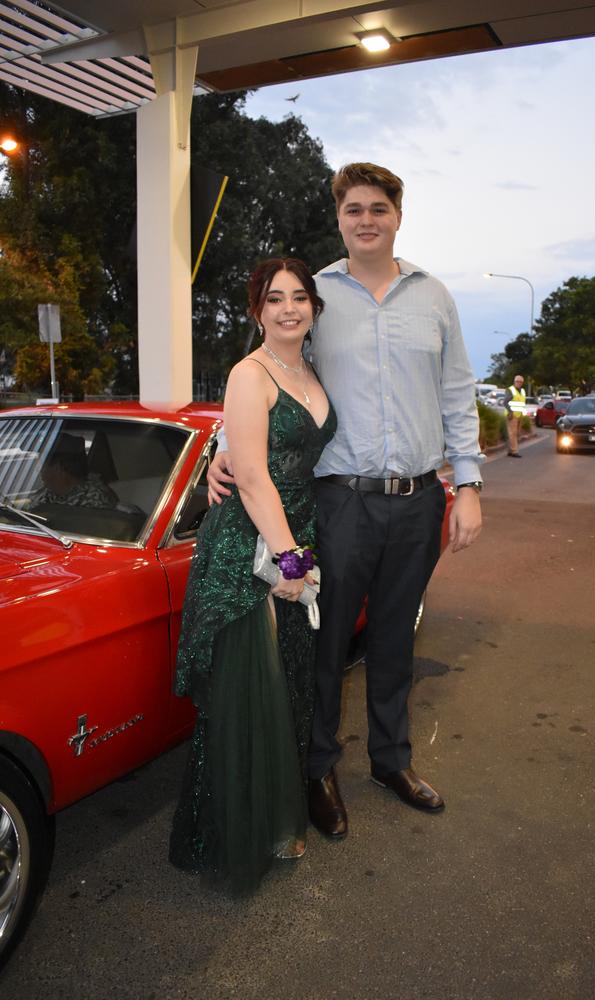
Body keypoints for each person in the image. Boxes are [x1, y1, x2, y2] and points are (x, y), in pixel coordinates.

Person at [208, 163, 483, 840]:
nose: (366, 219)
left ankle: (392, 761)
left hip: (421, 501)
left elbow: (457, 392)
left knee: (395, 641)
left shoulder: (434, 296)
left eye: (378, 208)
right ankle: (319, 770)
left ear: (397, 215)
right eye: (353, 209)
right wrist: (223, 439)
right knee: (330, 645)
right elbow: (276, 364)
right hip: (343, 503)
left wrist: (469, 484)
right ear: (339, 218)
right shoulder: (317, 296)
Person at [169, 258, 336, 893]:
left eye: (299, 298)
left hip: (295, 539)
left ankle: (272, 819)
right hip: (250, 553)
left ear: (313, 309)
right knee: (247, 699)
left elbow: (247, 448)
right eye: (274, 299)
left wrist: (299, 551)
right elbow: (257, 476)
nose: (288, 308)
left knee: (286, 689)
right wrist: (290, 560)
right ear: (256, 310)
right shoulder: (250, 372)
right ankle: (227, 838)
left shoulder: (308, 371)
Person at [29, 432, 117, 509]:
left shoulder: (94, 498)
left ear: (58, 467)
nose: (39, 471)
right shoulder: (45, 494)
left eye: (42, 465)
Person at [503, 374, 526, 457]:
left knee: (516, 433)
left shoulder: (522, 391)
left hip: (519, 415)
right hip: (512, 415)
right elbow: (505, 402)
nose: (519, 383)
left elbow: (522, 403)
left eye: (521, 382)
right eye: (517, 381)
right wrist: (510, 412)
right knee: (512, 433)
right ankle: (514, 451)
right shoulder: (510, 390)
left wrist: (523, 414)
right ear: (514, 381)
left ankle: (510, 450)